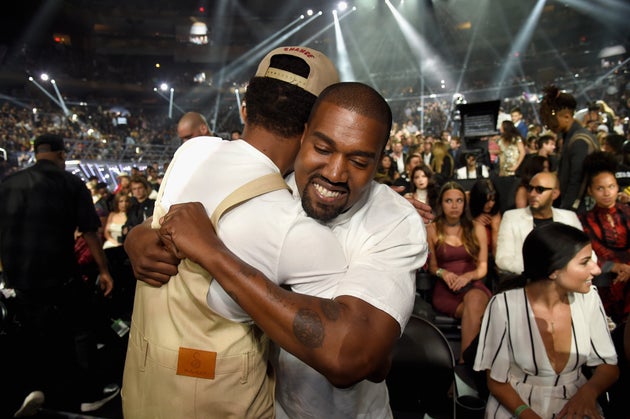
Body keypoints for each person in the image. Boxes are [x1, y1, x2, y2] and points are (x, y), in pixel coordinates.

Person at [126, 81, 429, 418]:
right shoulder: (277, 191)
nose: (335, 173)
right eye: (323, 149)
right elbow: (187, 219)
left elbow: (359, 360)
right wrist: (138, 236)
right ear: (303, 135)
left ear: (377, 163)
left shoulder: (395, 220)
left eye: (359, 161)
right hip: (273, 407)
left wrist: (213, 253)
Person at [121, 46, 346, 418]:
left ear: (247, 107)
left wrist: (138, 232)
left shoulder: (192, 152)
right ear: (313, 129)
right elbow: (346, 351)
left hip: (142, 391)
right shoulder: (290, 222)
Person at [0, 134, 115, 417]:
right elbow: (89, 232)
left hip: (19, 277)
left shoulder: (9, 184)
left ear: (35, 152)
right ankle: (87, 395)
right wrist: (103, 270)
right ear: (62, 155)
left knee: (31, 334)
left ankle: (35, 389)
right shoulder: (71, 183)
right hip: (60, 274)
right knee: (79, 331)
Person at [473, 222, 619, 419]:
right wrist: (527, 414)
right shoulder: (503, 306)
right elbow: (495, 380)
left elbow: (608, 365)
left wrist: (587, 393)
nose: (596, 270)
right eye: (585, 262)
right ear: (554, 271)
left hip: (575, 406)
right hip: (517, 407)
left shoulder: (589, 298)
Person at [426, 181, 490, 362]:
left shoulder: (477, 228)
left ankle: (463, 363)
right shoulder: (432, 229)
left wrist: (468, 276)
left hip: (473, 284)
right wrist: (443, 273)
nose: (454, 206)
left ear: (465, 203)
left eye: (459, 200)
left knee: (476, 299)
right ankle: (472, 367)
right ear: (441, 204)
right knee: (476, 312)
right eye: (449, 201)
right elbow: (432, 268)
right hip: (446, 289)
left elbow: (483, 267)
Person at [495, 171, 584, 277]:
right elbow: (503, 259)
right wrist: (542, 272)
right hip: (526, 281)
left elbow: (588, 255)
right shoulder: (512, 217)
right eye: (530, 188)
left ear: (554, 194)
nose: (532, 194)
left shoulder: (569, 217)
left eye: (539, 190)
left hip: (565, 281)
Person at [579, 151, 630, 325]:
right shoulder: (584, 220)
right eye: (600, 188)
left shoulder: (628, 212)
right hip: (603, 277)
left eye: (611, 187)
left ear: (617, 187)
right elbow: (590, 252)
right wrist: (614, 266)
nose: (607, 193)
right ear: (590, 191)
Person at [540, 85, 599, 212]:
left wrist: (566, 210)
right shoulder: (570, 136)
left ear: (567, 116)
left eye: (552, 119)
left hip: (580, 209)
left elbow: (576, 181)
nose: (549, 125)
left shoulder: (579, 141)